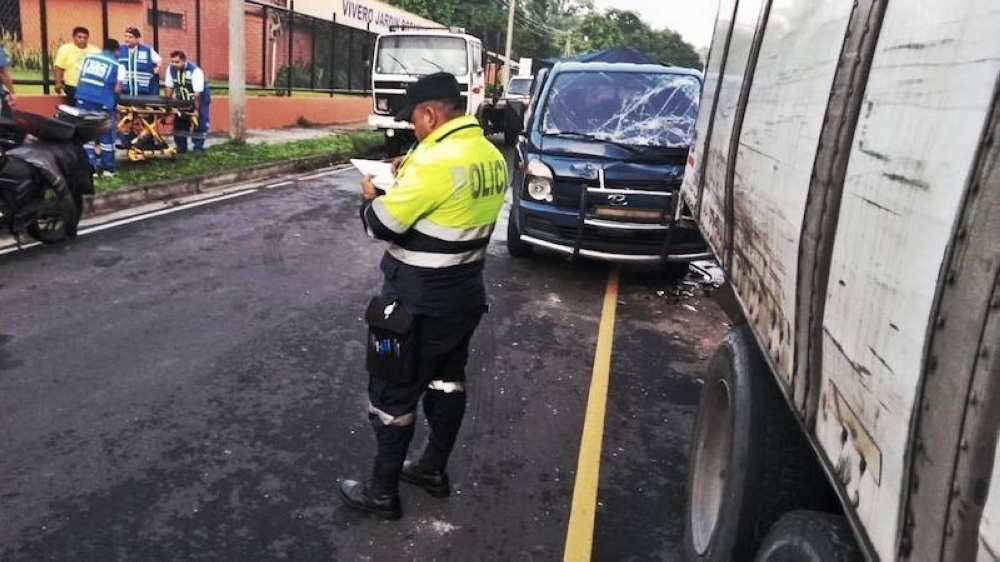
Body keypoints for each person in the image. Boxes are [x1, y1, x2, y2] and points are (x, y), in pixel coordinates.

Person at [340, 72, 508, 520]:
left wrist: (371, 194)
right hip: (465, 293)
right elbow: (450, 203)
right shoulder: (489, 154)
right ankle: (432, 468)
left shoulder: (437, 162)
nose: (411, 128)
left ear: (432, 114)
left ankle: (381, 492)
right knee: (446, 381)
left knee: (391, 392)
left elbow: (381, 225)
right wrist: (407, 168)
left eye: (413, 119)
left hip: (415, 302)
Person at [75, 39, 125, 176]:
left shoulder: (88, 58)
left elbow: (79, 78)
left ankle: (90, 168)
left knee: (87, 133)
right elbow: (117, 88)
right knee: (106, 134)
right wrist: (114, 104)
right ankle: (109, 169)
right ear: (116, 50)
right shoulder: (118, 65)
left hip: (83, 98)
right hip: (103, 101)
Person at [164, 51, 210, 155]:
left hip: (200, 97)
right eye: (172, 62)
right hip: (182, 98)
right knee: (180, 121)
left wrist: (196, 111)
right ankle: (181, 147)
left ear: (184, 61)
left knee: (200, 122)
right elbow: (169, 87)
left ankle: (198, 148)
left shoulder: (195, 71)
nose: (174, 64)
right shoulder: (170, 70)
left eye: (177, 62)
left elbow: (197, 95)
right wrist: (168, 104)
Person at [53, 26, 100, 105]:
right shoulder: (65, 49)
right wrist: (58, 83)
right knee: (77, 105)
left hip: (89, 85)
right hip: (72, 85)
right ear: (73, 37)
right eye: (79, 37)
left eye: (85, 38)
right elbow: (58, 67)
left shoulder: (95, 51)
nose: (82, 40)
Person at [117, 26, 161, 96]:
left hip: (143, 92)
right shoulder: (120, 49)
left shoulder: (147, 50)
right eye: (126, 36)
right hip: (124, 92)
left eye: (130, 37)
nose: (127, 39)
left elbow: (159, 61)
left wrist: (157, 68)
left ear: (137, 38)